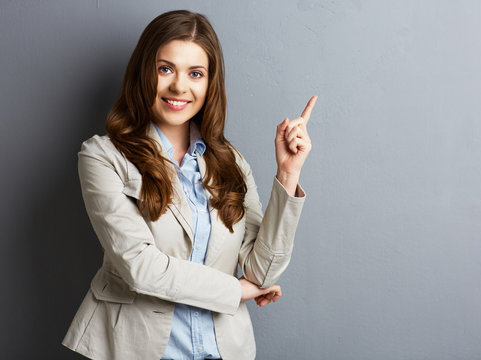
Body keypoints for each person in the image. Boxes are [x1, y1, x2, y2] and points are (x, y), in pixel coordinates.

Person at [62, 9, 316, 360]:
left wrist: (288, 174)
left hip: (223, 350)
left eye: (195, 73)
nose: (179, 86)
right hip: (133, 349)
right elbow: (140, 268)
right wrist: (235, 291)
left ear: (210, 83)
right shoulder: (102, 156)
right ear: (143, 73)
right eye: (165, 68)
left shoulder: (231, 162)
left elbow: (262, 271)